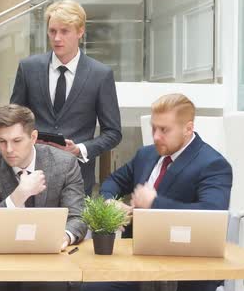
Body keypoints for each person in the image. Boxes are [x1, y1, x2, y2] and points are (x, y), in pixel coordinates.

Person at [84, 93, 232, 291]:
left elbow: (211, 214)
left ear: (188, 128)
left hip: (185, 272)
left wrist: (154, 203)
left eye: (164, 130)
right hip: (137, 263)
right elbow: (113, 181)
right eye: (154, 128)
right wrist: (110, 202)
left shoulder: (213, 164)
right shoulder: (146, 154)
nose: (155, 136)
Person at [10, 0, 122, 195]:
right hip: (31, 173)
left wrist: (80, 149)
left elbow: (113, 133)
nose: (57, 38)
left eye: (64, 31)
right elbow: (14, 120)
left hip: (77, 176)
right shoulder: (28, 68)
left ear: (80, 32)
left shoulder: (100, 74)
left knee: (71, 227)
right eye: (52, 31)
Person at [0, 104, 87, 291]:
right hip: (5, 262)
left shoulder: (65, 164)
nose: (9, 149)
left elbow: (78, 217)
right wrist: (19, 195)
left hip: (51, 261)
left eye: (17, 141)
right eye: (2, 141)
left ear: (33, 137)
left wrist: (64, 236)